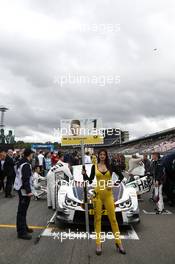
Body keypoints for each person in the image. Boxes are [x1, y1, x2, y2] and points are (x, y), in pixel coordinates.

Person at [82, 149, 126, 255]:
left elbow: (121, 176)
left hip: (108, 195)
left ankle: (118, 242)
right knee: (97, 219)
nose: (102, 156)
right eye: (100, 154)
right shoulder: (94, 166)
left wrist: (114, 183)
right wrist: (84, 174)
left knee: (113, 219)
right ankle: (98, 243)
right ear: (98, 156)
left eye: (104, 154)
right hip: (97, 195)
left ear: (106, 156)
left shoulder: (111, 166)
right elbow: (90, 179)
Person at [14, 148, 34, 240]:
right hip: (23, 190)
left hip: (21, 188)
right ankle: (21, 232)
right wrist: (29, 191)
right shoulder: (25, 164)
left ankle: (24, 228)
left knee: (23, 211)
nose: (33, 156)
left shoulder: (22, 162)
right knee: (22, 211)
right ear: (29, 155)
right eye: (32, 154)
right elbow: (25, 179)